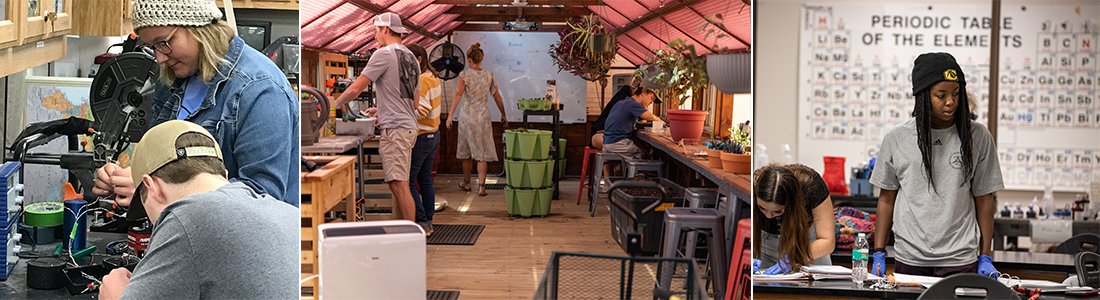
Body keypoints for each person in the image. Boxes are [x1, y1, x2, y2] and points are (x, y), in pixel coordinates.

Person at [93, 0, 300, 210]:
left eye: (163, 43)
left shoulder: (260, 90)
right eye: (151, 47)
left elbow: (262, 197)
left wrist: (158, 190)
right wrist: (128, 182)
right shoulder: (172, 80)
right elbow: (162, 165)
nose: (159, 58)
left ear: (196, 26)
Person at [98, 120, 298, 300]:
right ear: (224, 175)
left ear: (152, 186)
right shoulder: (289, 214)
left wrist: (114, 294)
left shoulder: (187, 216)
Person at [870, 52, 1004, 278]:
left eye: (956, 93)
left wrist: (985, 256)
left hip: (960, 258)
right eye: (941, 95)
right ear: (923, 96)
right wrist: (879, 253)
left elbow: (984, 199)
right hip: (910, 257)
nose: (950, 101)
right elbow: (886, 199)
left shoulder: (978, 136)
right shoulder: (898, 138)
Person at [333, 12, 420, 222]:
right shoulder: (411, 58)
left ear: (386, 29)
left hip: (396, 130)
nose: (375, 36)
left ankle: (410, 237)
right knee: (401, 184)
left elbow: (355, 90)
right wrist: (380, 110)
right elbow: (413, 103)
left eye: (375, 31)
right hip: (409, 127)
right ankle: (406, 233)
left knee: (399, 185)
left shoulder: (383, 54)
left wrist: (331, 105)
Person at [750, 163, 836, 275]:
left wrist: (795, 258)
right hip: (766, 245)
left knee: (818, 289)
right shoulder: (753, 186)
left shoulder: (812, 186)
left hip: (809, 246)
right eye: (762, 208)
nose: (768, 216)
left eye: (777, 211)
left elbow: (827, 241)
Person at [445, 43, 507, 197]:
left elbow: (458, 94)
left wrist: (450, 115)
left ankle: (467, 183)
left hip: (467, 118)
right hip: (483, 118)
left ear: (469, 60)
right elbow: (497, 97)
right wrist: (503, 114)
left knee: (466, 152)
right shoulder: (489, 75)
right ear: (480, 59)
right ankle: (481, 187)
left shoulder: (464, 75)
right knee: (482, 153)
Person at [405, 43, 442, 235]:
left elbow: (422, 110)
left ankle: (421, 222)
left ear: (418, 60)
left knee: (408, 182)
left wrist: (403, 111)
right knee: (425, 180)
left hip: (421, 137)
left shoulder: (422, 80)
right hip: (434, 134)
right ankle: (429, 220)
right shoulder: (434, 77)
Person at [601, 84, 662, 160]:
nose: (651, 102)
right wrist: (660, 121)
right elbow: (647, 115)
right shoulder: (633, 104)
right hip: (617, 142)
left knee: (639, 150)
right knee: (641, 153)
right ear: (644, 93)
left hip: (607, 141)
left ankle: (618, 170)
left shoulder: (622, 102)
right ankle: (628, 171)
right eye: (651, 98)